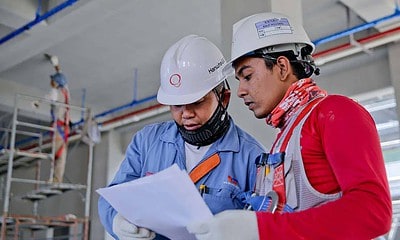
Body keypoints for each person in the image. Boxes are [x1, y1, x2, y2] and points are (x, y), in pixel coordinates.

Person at [187, 12, 393, 240]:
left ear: (282, 67)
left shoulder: (335, 113)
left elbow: (373, 211)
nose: (240, 91)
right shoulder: (285, 137)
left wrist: (262, 228)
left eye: (247, 76)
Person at [97, 34, 265, 240]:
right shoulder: (146, 142)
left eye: (197, 102)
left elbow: (264, 225)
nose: (186, 114)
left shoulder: (253, 158)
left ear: (224, 98)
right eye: (177, 105)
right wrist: (117, 221)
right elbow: (114, 197)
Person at [34, 55, 71, 183]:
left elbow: (47, 96)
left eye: (52, 80)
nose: (51, 82)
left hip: (58, 127)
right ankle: (57, 178)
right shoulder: (65, 90)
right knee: (61, 152)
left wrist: (37, 103)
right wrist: (56, 64)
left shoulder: (55, 93)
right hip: (64, 127)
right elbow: (61, 77)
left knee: (57, 153)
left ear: (55, 83)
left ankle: (55, 178)